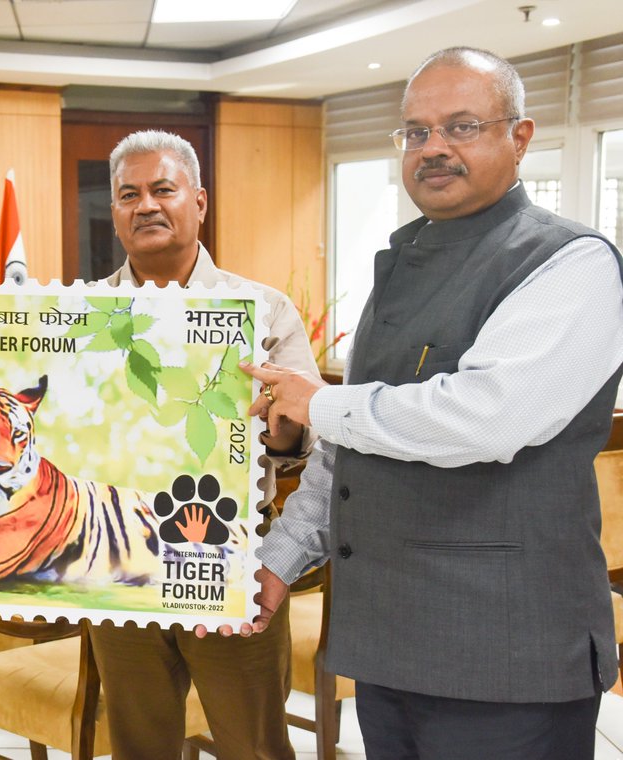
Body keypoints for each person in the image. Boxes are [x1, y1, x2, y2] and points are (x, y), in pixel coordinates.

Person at [239, 47, 623, 760]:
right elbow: (351, 452)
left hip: (509, 658)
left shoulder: (571, 261)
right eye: (415, 132)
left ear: (521, 137)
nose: (433, 148)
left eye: (462, 126)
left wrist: (320, 405)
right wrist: (277, 561)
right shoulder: (403, 263)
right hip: (390, 646)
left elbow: (488, 417)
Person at [90, 130, 320, 760]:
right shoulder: (79, 316)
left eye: (163, 189)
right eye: (128, 195)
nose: (146, 206)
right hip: (120, 555)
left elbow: (303, 441)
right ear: (114, 212)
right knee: (138, 743)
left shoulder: (264, 310)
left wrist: (281, 425)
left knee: (255, 744)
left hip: (231, 551)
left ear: (199, 201)